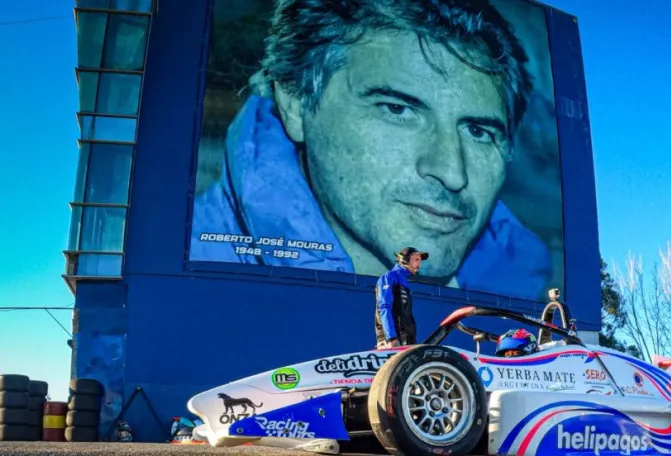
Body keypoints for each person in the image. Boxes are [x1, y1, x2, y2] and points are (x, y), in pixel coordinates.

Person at [189, 0, 552, 301]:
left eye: (478, 131)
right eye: (398, 109)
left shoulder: (524, 292)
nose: (452, 172)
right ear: (296, 103)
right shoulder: (187, 282)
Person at [375, 247, 426, 348]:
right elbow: (384, 307)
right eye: (416, 259)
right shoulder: (389, 277)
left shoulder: (404, 281)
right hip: (393, 342)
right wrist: (391, 338)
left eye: (420, 260)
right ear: (404, 259)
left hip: (407, 342)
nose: (419, 264)